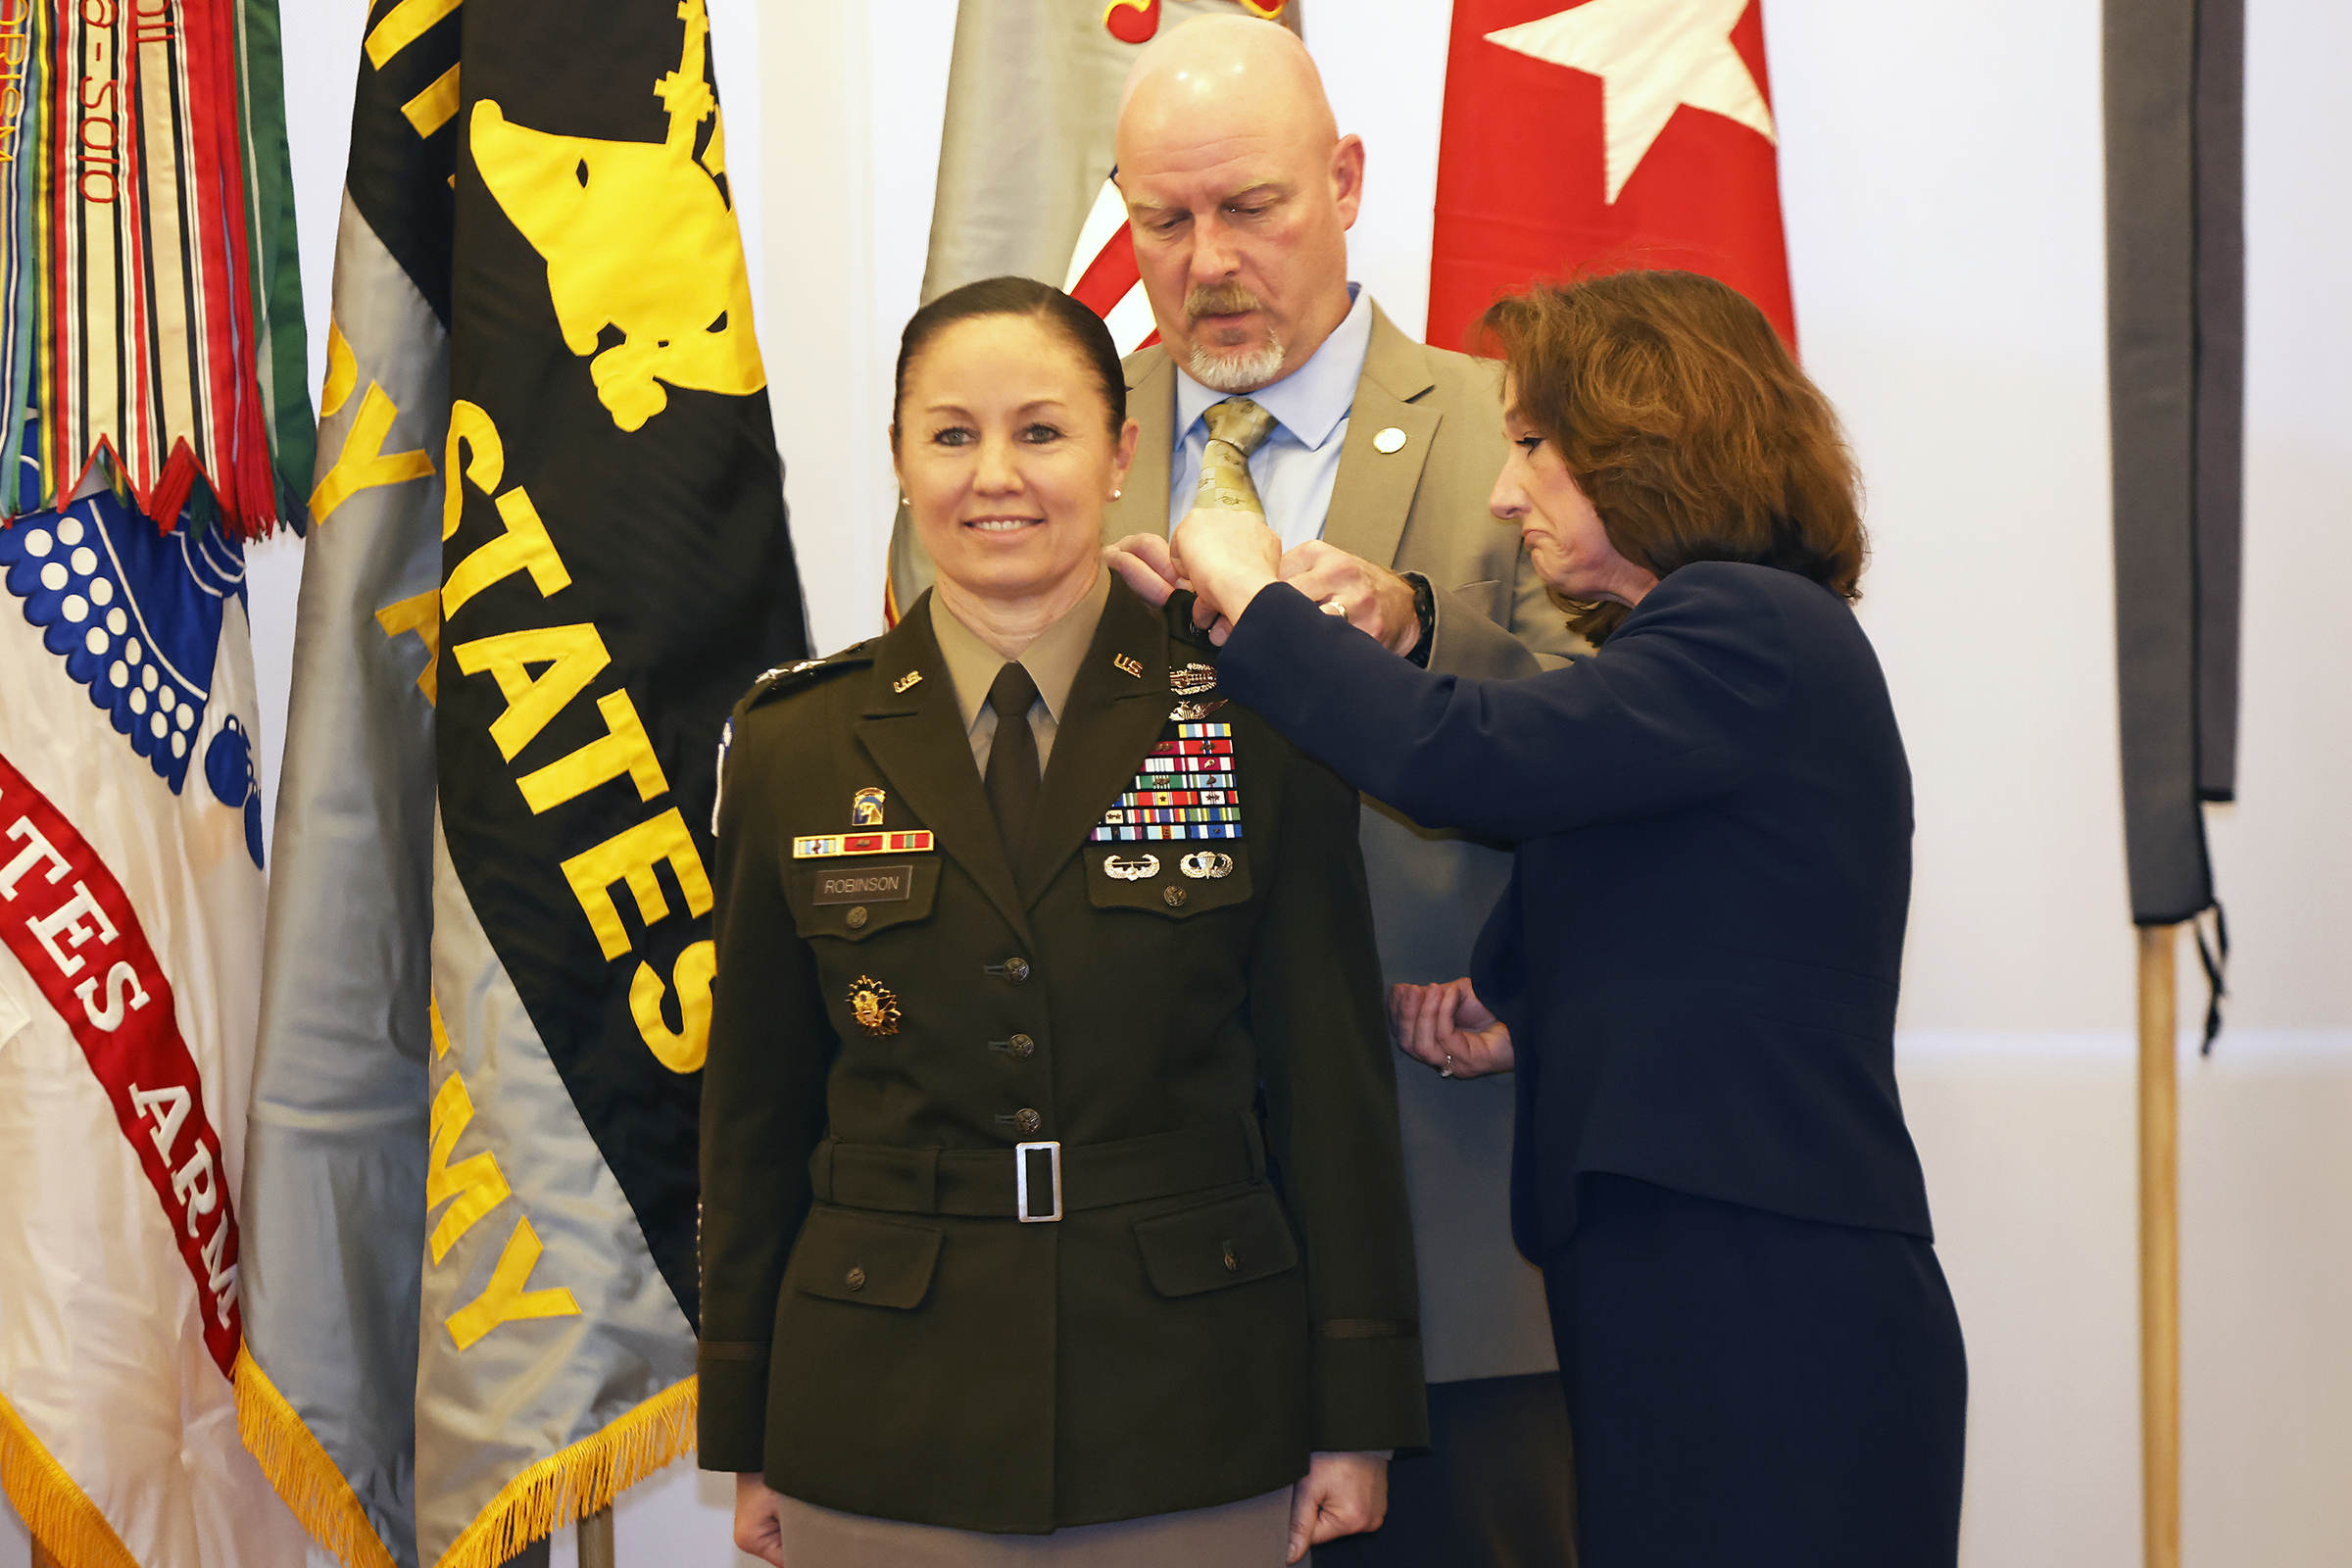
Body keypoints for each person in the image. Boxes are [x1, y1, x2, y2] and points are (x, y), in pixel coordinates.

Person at [1124, 269, 1969, 1567]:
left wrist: (1254, 596)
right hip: (1703, 1273)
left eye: (1531, 446)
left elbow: (1468, 762)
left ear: (1648, 447)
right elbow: (1688, 890)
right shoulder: (1709, 645)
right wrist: (1539, 1008)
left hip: (1763, 1293)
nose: (1506, 489)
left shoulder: (1743, 624)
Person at [890, 19, 1581, 1562]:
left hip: (1455, 1241)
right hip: (1129, 1284)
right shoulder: (1040, 456)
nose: (1204, 262)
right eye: (1163, 219)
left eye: (1251, 208)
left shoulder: (1516, 433)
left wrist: (1414, 626)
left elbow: (1629, 752)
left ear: (1345, 182)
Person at [698, 275, 1427, 1568]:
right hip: (877, 1410)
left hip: (1194, 1400)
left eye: (1041, 431)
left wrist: (1356, 1414)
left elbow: (1330, 1088)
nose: (998, 477)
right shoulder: (791, 746)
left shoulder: (1261, 723)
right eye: (951, 433)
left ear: (1122, 452)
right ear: (901, 458)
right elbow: (753, 1110)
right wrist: (746, 1419)